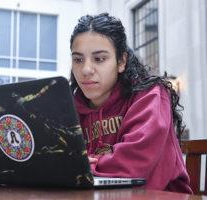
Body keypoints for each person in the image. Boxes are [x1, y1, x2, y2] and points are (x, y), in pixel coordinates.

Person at [69, 12, 192, 193]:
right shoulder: (71, 107)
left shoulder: (150, 96)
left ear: (121, 62)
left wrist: (79, 167)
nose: (86, 69)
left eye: (99, 59)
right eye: (78, 59)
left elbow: (132, 165)